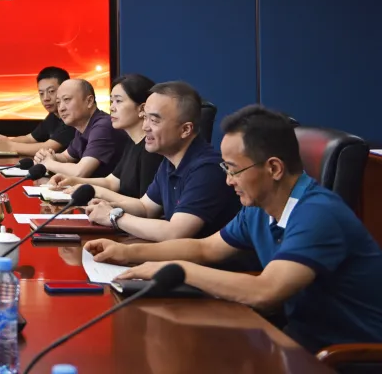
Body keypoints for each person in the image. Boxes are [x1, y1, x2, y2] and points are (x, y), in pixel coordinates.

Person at [85, 105, 382, 353]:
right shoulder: (259, 208)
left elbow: (266, 291)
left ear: (274, 168)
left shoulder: (317, 214)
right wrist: (128, 253)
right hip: (295, 342)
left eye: (233, 169)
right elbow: (205, 248)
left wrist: (179, 269)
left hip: (345, 356)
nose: (228, 181)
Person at [82, 81, 240, 241]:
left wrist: (113, 216)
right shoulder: (170, 161)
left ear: (185, 129)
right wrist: (109, 207)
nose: (145, 127)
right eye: (145, 118)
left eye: (154, 121)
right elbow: (145, 207)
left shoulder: (207, 169)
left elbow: (175, 232)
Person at [48, 73, 161, 199]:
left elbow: (144, 206)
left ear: (142, 109)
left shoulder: (152, 149)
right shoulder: (132, 143)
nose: (111, 108)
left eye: (118, 101)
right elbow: (111, 182)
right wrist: (73, 181)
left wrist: (98, 193)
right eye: (111, 101)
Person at [33, 79, 127, 178]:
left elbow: (80, 172)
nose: (61, 108)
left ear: (89, 101)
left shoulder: (103, 126)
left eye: (67, 100)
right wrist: (47, 156)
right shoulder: (82, 127)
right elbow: (66, 157)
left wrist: (48, 163)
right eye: (58, 102)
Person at [0, 66, 76, 157]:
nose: (45, 98)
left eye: (51, 91)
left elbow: (48, 147)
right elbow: (30, 138)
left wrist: (9, 146)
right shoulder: (53, 116)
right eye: (41, 93)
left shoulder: (73, 116)